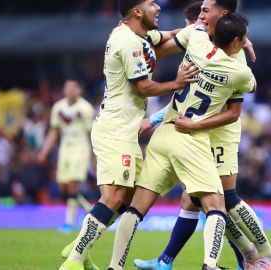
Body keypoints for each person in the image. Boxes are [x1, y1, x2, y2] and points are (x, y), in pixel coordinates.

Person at [134, 1, 271, 270]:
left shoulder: (233, 56)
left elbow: (234, 111)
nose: (200, 15)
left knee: (226, 198)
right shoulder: (205, 43)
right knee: (197, 199)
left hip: (219, 133)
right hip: (197, 133)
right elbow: (186, 96)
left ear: (223, 15)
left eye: (206, 10)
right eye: (199, 10)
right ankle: (173, 260)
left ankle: (263, 256)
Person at [106, 12, 256, 270]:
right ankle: (211, 264)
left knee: (136, 207)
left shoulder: (196, 39)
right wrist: (244, 48)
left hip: (164, 133)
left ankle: (115, 266)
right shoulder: (240, 72)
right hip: (192, 138)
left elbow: (184, 34)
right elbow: (251, 86)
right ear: (235, 41)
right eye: (243, 39)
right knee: (216, 206)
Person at [59, 0, 199, 269]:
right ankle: (74, 261)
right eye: (151, 3)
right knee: (114, 196)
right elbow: (143, 88)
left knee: (129, 198)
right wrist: (177, 84)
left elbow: (171, 36)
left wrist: (198, 28)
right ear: (137, 11)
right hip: (116, 130)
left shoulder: (139, 34)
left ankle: (78, 245)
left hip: (125, 130)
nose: (158, 7)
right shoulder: (126, 42)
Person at [37, 79, 95, 233]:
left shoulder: (86, 108)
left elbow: (91, 133)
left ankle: (69, 222)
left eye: (73, 87)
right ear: (63, 90)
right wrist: (44, 151)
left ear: (79, 90)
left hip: (81, 147)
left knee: (73, 183)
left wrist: (95, 154)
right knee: (63, 187)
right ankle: (88, 207)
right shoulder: (58, 108)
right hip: (65, 149)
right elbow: (54, 131)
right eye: (67, 87)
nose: (70, 90)